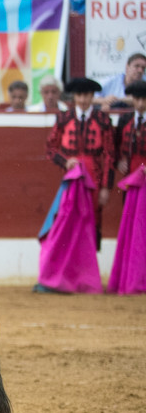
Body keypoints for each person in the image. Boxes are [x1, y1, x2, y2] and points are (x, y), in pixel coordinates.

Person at [36, 77, 114, 293]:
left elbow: (109, 155)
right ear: (74, 97)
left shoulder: (103, 120)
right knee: (66, 224)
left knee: (90, 226)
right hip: (71, 181)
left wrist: (106, 187)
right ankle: (66, 275)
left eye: (87, 95)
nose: (83, 99)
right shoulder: (63, 118)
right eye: (80, 95)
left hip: (94, 180)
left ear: (92, 97)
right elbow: (50, 149)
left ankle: (84, 276)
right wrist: (65, 161)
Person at [109, 81, 146, 295]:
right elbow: (112, 149)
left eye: (144, 99)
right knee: (133, 230)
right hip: (132, 183)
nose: (140, 103)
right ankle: (131, 278)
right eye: (137, 99)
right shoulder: (125, 120)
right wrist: (119, 161)